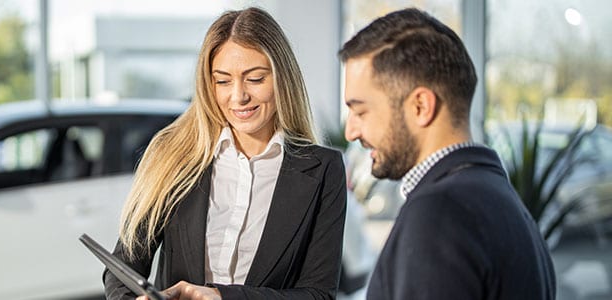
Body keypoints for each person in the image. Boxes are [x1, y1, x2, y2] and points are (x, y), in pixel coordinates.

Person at [104, 7, 347, 300]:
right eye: (222, 81)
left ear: (283, 78)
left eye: (255, 79)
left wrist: (223, 297)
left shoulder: (323, 170)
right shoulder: (173, 155)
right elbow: (122, 268)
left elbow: (319, 295)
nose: (238, 96)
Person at [339, 8, 556, 300]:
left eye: (361, 111)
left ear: (420, 107)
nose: (350, 132)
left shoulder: (438, 215)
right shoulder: (502, 200)